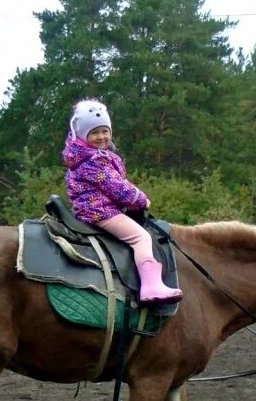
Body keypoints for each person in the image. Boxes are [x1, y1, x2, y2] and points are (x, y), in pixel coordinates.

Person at [62, 98, 182, 304]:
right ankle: (150, 287)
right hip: (100, 211)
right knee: (140, 237)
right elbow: (117, 188)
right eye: (94, 133)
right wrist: (141, 200)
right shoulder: (94, 160)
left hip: (95, 208)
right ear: (83, 135)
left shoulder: (88, 156)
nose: (101, 137)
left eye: (104, 131)